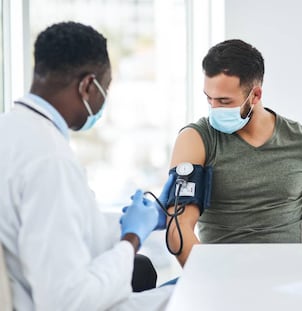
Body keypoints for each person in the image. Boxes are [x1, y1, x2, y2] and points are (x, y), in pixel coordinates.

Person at [0, 21, 174, 310]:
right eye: (105, 89)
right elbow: (67, 301)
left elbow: (66, 227)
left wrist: (133, 221)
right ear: (88, 86)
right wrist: (131, 238)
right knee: (193, 295)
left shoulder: (11, 130)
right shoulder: (50, 159)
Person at [166, 39, 302, 266]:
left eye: (224, 101)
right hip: (220, 278)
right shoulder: (197, 139)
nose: (214, 109)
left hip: (288, 277)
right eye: (209, 98)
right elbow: (177, 227)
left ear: (255, 95)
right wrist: (207, 279)